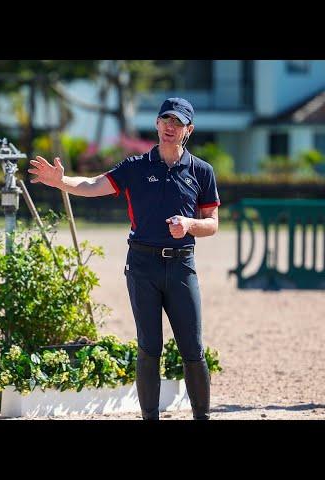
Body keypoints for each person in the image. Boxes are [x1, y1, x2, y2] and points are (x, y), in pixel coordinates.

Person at [28, 97, 220, 420]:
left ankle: (202, 417)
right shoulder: (135, 167)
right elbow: (94, 184)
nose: (170, 127)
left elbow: (212, 224)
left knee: (192, 348)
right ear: (157, 124)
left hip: (182, 266)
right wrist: (62, 181)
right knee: (149, 347)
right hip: (142, 267)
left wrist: (188, 225)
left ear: (189, 129)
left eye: (178, 122)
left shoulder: (202, 171)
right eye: (165, 121)